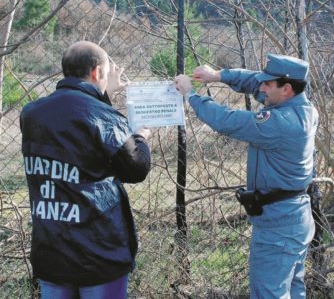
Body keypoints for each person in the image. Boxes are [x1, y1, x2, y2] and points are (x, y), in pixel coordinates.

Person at [175, 54, 318, 298]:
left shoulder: (282, 122)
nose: (261, 88)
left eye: (268, 85)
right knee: (292, 291)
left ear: (285, 90)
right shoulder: (299, 106)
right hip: (293, 218)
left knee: (269, 293)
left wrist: (191, 95)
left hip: (279, 227)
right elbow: (255, 80)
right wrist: (218, 76)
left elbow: (227, 121)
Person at [20, 41, 151, 299]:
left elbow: (80, 142)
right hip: (98, 255)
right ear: (96, 72)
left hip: (51, 251)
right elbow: (135, 168)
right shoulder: (101, 114)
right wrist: (141, 136)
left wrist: (102, 96)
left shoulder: (32, 113)